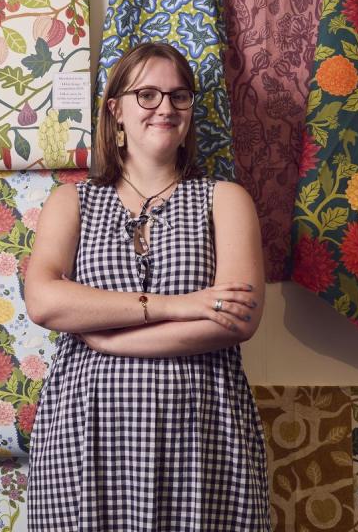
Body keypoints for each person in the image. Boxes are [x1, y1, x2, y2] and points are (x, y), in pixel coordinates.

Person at [24, 42, 271, 530]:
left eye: (180, 97)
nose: (166, 108)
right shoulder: (71, 202)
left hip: (204, 438)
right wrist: (182, 306)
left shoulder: (225, 200)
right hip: (84, 441)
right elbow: (44, 300)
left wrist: (103, 334)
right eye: (148, 94)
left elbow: (237, 318)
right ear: (115, 109)